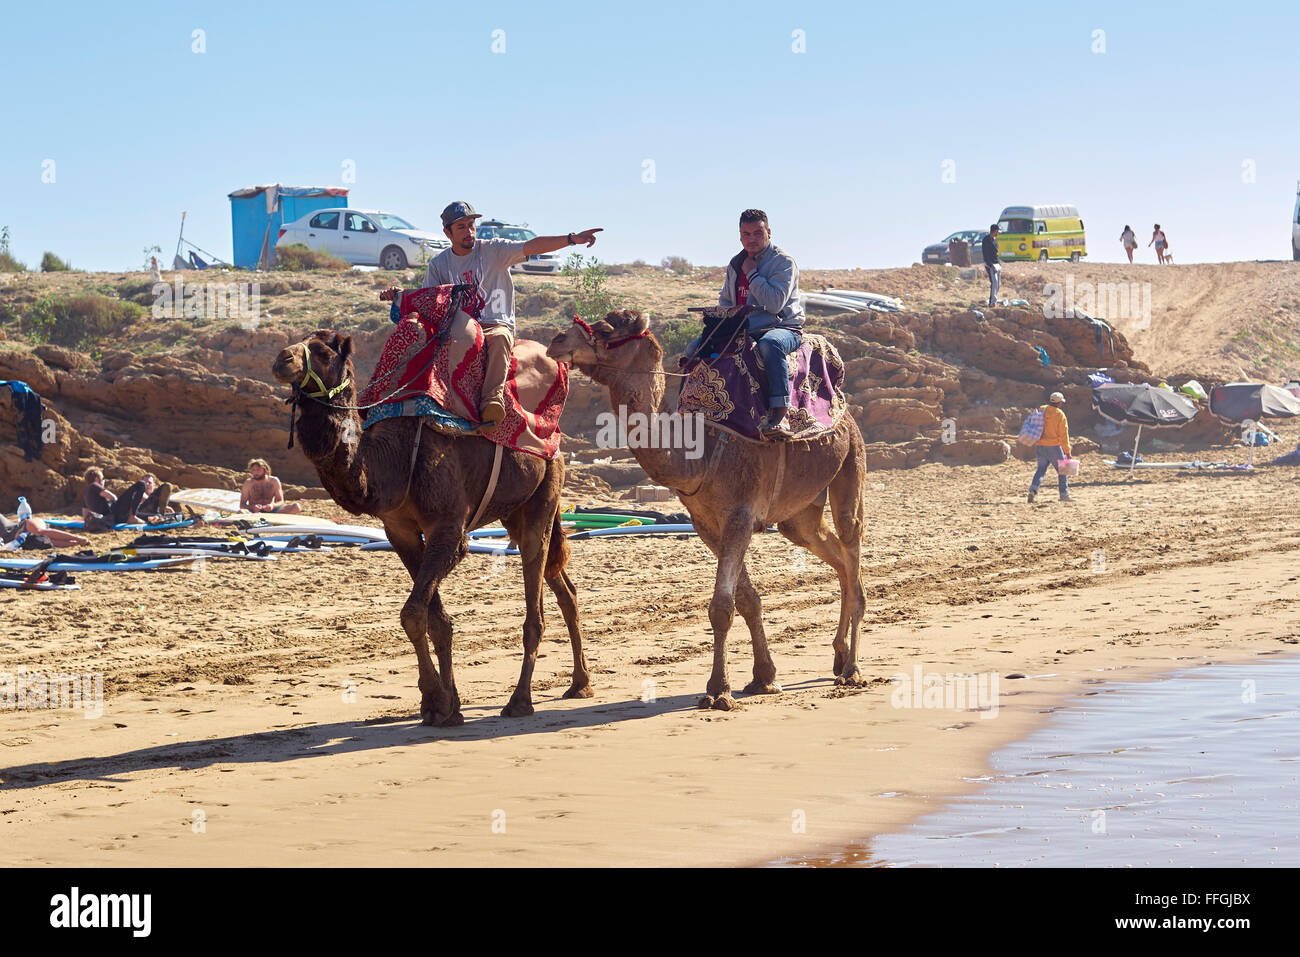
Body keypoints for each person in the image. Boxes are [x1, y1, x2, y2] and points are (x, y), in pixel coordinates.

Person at [400, 202, 603, 431]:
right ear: (447, 232)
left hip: (495, 324)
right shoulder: (438, 265)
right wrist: (398, 297)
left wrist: (570, 239)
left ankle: (491, 402)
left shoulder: (494, 250)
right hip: (459, 327)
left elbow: (532, 246)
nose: (469, 231)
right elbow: (428, 299)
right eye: (461, 227)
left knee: (500, 338)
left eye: (471, 225)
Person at [685, 209, 804, 440]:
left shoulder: (783, 262)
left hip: (781, 328)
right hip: (742, 329)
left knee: (769, 345)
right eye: (746, 234)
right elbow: (727, 300)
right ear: (740, 236)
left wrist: (752, 275)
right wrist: (721, 315)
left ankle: (781, 412)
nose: (751, 239)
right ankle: (689, 410)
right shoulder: (735, 263)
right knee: (693, 349)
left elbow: (775, 303)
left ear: (769, 232)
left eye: (757, 233)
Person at [82, 469, 174, 530]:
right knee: (141, 484)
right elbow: (113, 497)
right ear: (97, 479)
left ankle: (157, 516)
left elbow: (85, 515)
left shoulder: (85, 494)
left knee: (152, 516)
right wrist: (125, 505)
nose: (103, 481)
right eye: (103, 479)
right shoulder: (94, 486)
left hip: (116, 519)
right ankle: (132, 517)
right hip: (115, 514)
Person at [1028, 392, 1073, 504]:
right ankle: (1064, 495)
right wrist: (1067, 451)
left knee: (1040, 470)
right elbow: (1063, 434)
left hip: (1040, 445)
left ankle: (1033, 490)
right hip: (1053, 447)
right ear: (1059, 403)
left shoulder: (1042, 409)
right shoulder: (1060, 414)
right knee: (1063, 471)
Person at [1, 512, 90, 549]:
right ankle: (77, 543)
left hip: (23, 525)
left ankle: (78, 538)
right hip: (17, 539)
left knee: (40, 532)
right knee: (47, 541)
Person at [982, 226, 1001, 305]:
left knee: (998, 284)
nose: (998, 233)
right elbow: (985, 254)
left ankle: (994, 299)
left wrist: (999, 264)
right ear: (995, 231)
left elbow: (996, 253)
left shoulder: (995, 240)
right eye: (998, 231)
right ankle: (992, 302)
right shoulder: (986, 240)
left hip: (997, 264)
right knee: (994, 283)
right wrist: (991, 265)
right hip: (991, 264)